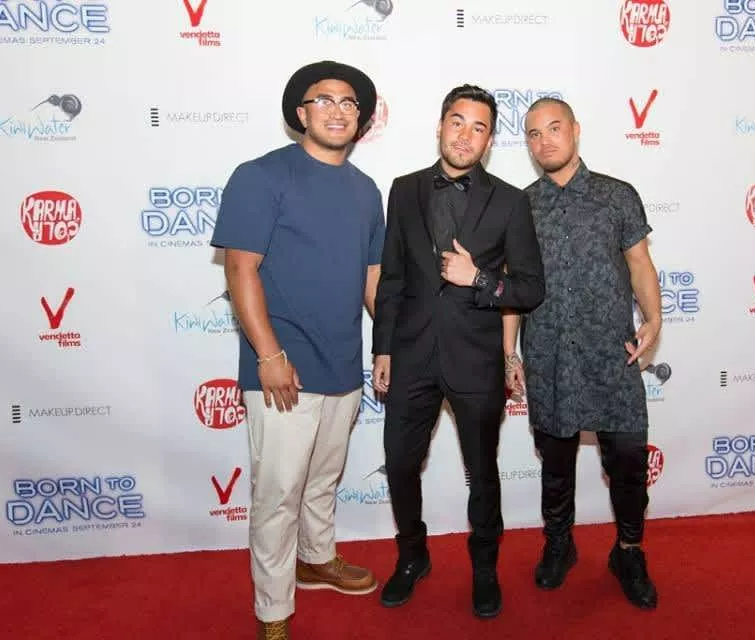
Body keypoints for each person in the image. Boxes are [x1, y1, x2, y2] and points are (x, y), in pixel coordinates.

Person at [210, 60, 385, 640]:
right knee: (278, 494)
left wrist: (388, 344)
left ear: (360, 119)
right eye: (324, 100)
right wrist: (268, 355)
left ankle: (316, 558)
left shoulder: (366, 191)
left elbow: (372, 278)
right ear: (301, 113)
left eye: (349, 103)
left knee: (322, 479)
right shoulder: (260, 176)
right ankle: (273, 612)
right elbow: (240, 269)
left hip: (345, 365)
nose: (338, 111)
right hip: (282, 368)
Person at [371, 85, 546, 618]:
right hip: (411, 355)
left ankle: (485, 567)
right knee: (400, 463)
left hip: (475, 360)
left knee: (482, 471)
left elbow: (530, 288)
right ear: (440, 126)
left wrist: (480, 279)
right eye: (457, 122)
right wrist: (383, 348)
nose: (465, 135)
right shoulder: (404, 189)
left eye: (478, 127)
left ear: (490, 140)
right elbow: (393, 277)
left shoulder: (511, 201)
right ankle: (412, 555)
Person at [503, 97, 662, 609]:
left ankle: (629, 551)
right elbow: (512, 287)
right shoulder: (520, 206)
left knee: (628, 461)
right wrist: (510, 353)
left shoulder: (618, 195)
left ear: (575, 130)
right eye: (533, 133)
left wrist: (654, 318)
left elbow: (639, 263)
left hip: (613, 353)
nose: (544, 141)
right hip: (549, 354)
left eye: (554, 128)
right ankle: (559, 543)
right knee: (555, 462)